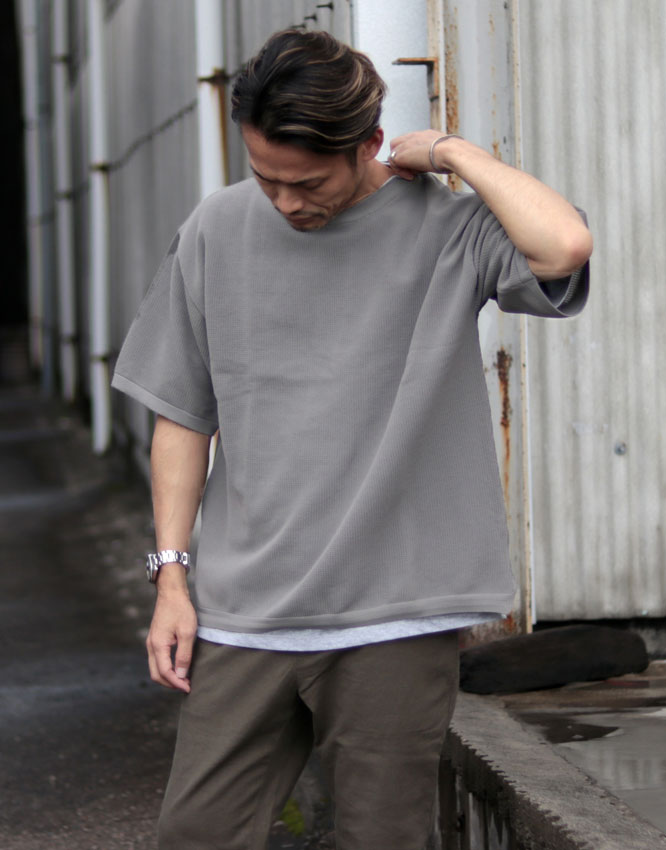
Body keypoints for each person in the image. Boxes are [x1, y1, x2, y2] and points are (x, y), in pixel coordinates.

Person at [111, 28, 592, 850]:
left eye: (307, 183)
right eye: (265, 176)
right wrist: (171, 579)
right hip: (245, 611)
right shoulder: (216, 230)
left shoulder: (450, 230)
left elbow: (565, 245)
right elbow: (183, 416)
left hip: (393, 618)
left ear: (369, 143)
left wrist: (453, 152)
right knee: (195, 833)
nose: (285, 202)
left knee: (383, 839)